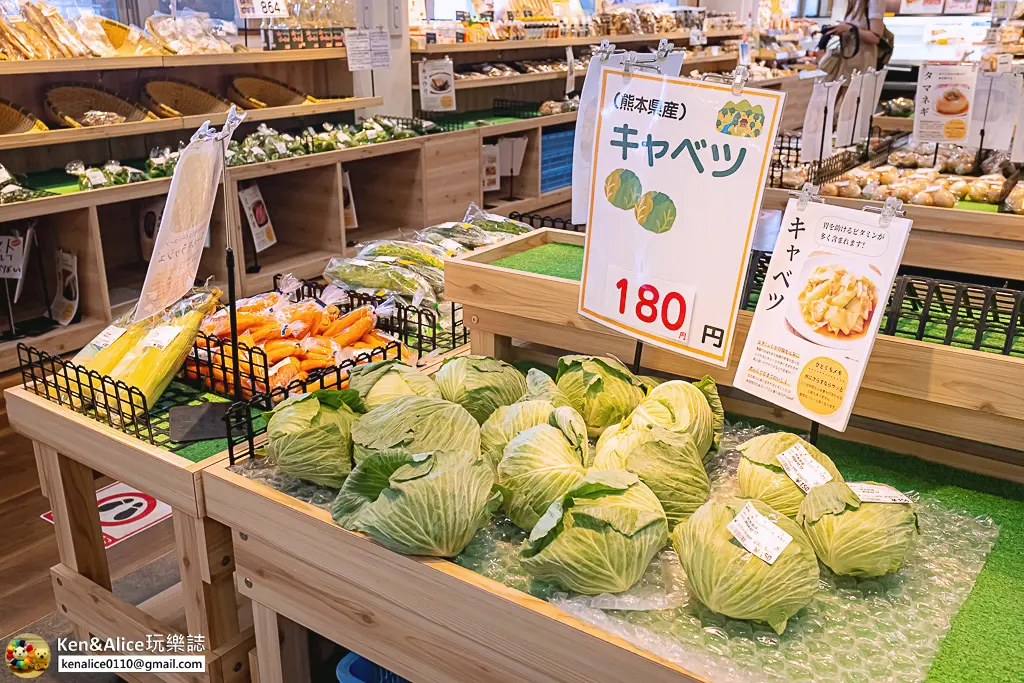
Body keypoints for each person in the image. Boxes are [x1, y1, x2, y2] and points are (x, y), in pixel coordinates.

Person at [818, 0, 888, 83]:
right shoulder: (853, 3)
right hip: (846, 62)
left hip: (861, 63)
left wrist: (849, 29)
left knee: (853, 94)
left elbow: (876, 38)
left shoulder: (874, 2)